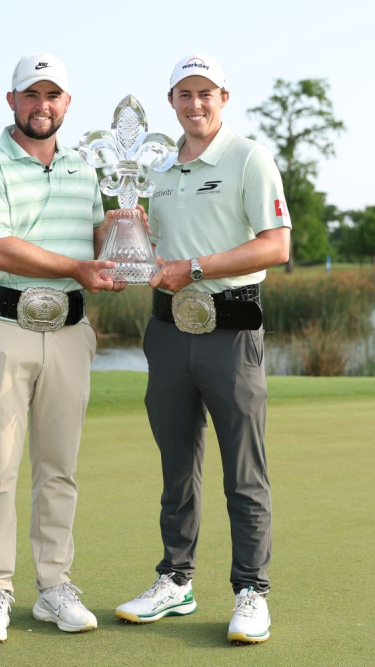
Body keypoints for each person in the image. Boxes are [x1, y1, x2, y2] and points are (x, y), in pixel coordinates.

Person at [115, 54, 291, 644]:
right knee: (176, 467)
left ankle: (251, 591)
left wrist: (193, 267)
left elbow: (275, 245)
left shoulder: (248, 157)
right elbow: (149, 254)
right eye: (185, 95)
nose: (196, 104)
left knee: (244, 470)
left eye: (206, 94)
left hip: (230, 328)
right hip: (166, 333)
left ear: (224, 97)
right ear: (171, 103)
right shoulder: (158, 169)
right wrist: (130, 229)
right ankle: (176, 580)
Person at [0, 52, 124, 643]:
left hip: (72, 333)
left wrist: (125, 231)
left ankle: (53, 588)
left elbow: (96, 236)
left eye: (53, 96)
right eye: (32, 95)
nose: (42, 106)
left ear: (67, 105)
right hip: (4, 326)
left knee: (59, 469)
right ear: (12, 102)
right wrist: (79, 266)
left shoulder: (85, 170)